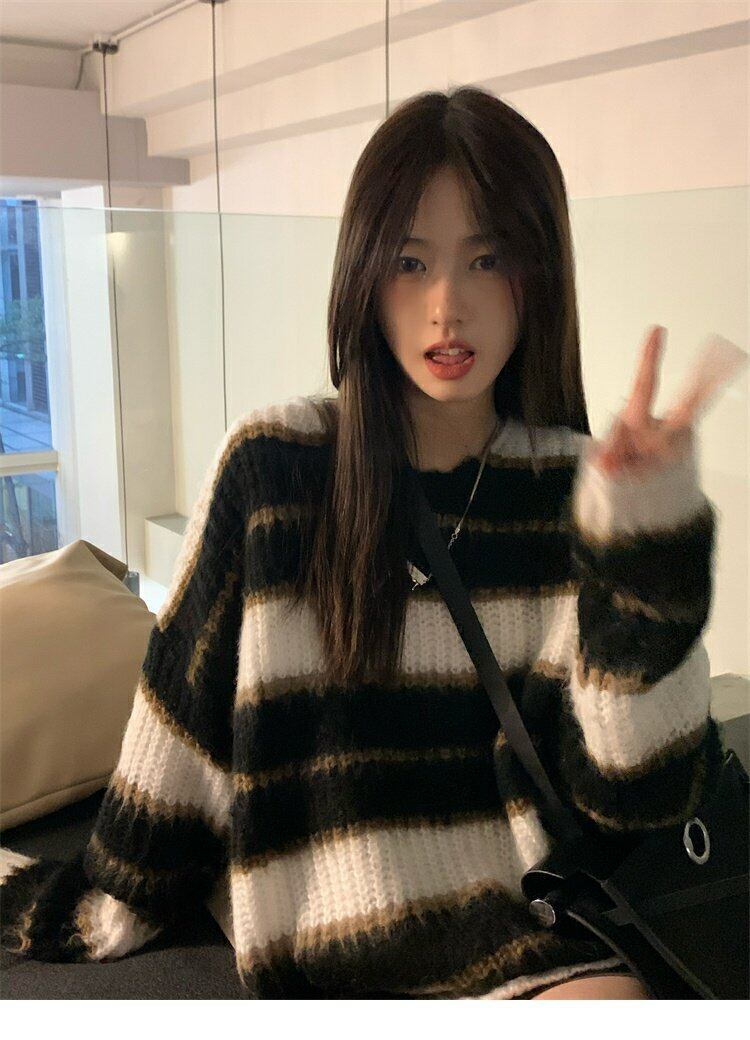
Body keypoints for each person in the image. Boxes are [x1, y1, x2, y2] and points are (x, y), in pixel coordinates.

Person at [1, 85, 740, 1000]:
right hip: (330, 924)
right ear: (362, 274)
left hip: (532, 914)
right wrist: (114, 893)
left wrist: (648, 546)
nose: (446, 307)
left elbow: (634, 789)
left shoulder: (573, 484)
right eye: (409, 261)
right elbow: (182, 719)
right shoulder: (275, 464)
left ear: (539, 272)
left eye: (487, 259)